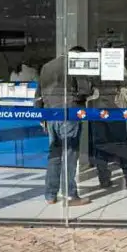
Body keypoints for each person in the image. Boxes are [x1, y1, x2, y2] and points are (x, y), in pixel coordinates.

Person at [36, 46, 92, 206]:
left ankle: (50, 195)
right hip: (69, 113)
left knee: (54, 154)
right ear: (79, 55)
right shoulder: (74, 64)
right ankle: (70, 195)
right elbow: (84, 90)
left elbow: (38, 94)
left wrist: (42, 116)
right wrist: (91, 90)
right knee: (70, 154)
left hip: (50, 115)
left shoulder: (47, 66)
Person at [89, 68, 127, 188]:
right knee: (121, 144)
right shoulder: (117, 64)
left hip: (97, 111)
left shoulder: (94, 66)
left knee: (101, 146)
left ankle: (104, 179)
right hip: (115, 110)